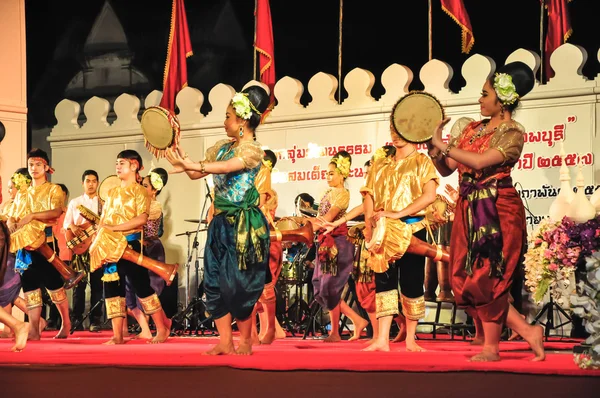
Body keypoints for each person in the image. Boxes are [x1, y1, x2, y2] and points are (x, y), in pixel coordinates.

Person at [427, 61, 544, 362]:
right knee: (464, 278)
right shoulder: (470, 129)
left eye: (484, 93)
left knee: (488, 274)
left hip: (496, 207)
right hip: (468, 206)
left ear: (502, 99)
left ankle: (491, 347)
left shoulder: (512, 131)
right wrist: (434, 150)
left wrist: (444, 145)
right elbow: (448, 167)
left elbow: (481, 163)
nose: (479, 99)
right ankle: (530, 332)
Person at [166, 86, 270, 355]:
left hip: (244, 226)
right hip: (219, 224)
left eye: (228, 116)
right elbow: (194, 173)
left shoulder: (252, 150)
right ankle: (225, 341)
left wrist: (193, 165)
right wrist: (176, 154)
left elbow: (225, 168)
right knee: (213, 283)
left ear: (243, 122)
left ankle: (246, 340)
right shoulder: (222, 148)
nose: (224, 122)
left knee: (239, 285)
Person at [362, 122, 439, 353]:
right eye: (392, 130)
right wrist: (369, 224)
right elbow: (368, 195)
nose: (395, 135)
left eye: (401, 130)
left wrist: (397, 214)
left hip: (411, 228)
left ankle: (411, 339)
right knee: (383, 282)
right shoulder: (380, 163)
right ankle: (382, 339)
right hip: (383, 230)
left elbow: (429, 196)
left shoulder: (422, 161)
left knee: (412, 281)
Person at [89, 150, 170, 345]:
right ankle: (117, 335)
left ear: (134, 166)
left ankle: (162, 328)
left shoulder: (140, 190)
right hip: (109, 244)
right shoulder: (112, 192)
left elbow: (142, 219)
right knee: (111, 288)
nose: (118, 166)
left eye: (122, 163)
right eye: (116, 163)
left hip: (130, 244)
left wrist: (113, 227)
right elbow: (105, 219)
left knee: (141, 286)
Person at [323, 146, 396, 344]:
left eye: (370, 169)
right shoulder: (371, 186)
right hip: (369, 238)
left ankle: (391, 332)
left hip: (387, 237)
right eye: (366, 171)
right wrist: (343, 222)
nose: (367, 175)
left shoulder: (393, 183)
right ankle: (376, 332)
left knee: (381, 286)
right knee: (365, 287)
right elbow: (364, 207)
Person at [6, 149, 73, 340]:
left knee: (54, 286)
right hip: (24, 246)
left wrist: (33, 216)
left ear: (46, 167)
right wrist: (11, 220)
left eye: (37, 165)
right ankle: (34, 328)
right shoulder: (23, 193)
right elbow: (15, 213)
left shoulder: (54, 189)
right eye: (30, 165)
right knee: (30, 287)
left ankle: (66, 322)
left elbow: (57, 211)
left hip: (46, 244)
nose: (33, 168)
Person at [310, 151, 368, 342]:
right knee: (320, 288)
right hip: (325, 243)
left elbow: (327, 219)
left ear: (342, 174)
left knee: (329, 288)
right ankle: (349, 324)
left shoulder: (342, 193)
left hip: (338, 244)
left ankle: (339, 330)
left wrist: (305, 226)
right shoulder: (328, 192)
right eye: (327, 173)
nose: (328, 176)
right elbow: (320, 220)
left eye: (332, 173)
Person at [124, 167, 175, 339]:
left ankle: (162, 326)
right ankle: (147, 329)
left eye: (145, 185)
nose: (142, 187)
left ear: (155, 190)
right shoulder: (138, 203)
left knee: (148, 289)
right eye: (142, 184)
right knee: (130, 289)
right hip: (136, 247)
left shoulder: (154, 205)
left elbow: (144, 227)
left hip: (150, 249)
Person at [64, 170, 104, 332]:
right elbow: (66, 224)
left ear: (98, 183)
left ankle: (95, 320)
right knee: (78, 285)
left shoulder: (104, 203)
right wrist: (73, 226)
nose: (91, 184)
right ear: (83, 183)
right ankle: (77, 320)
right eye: (88, 181)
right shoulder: (75, 202)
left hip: (97, 247)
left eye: (94, 181)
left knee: (97, 284)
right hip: (80, 247)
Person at [252, 149, 285, 344]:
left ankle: (269, 329)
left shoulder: (268, 193)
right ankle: (269, 329)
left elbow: (260, 214)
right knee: (255, 288)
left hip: (267, 241)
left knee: (263, 287)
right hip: (256, 239)